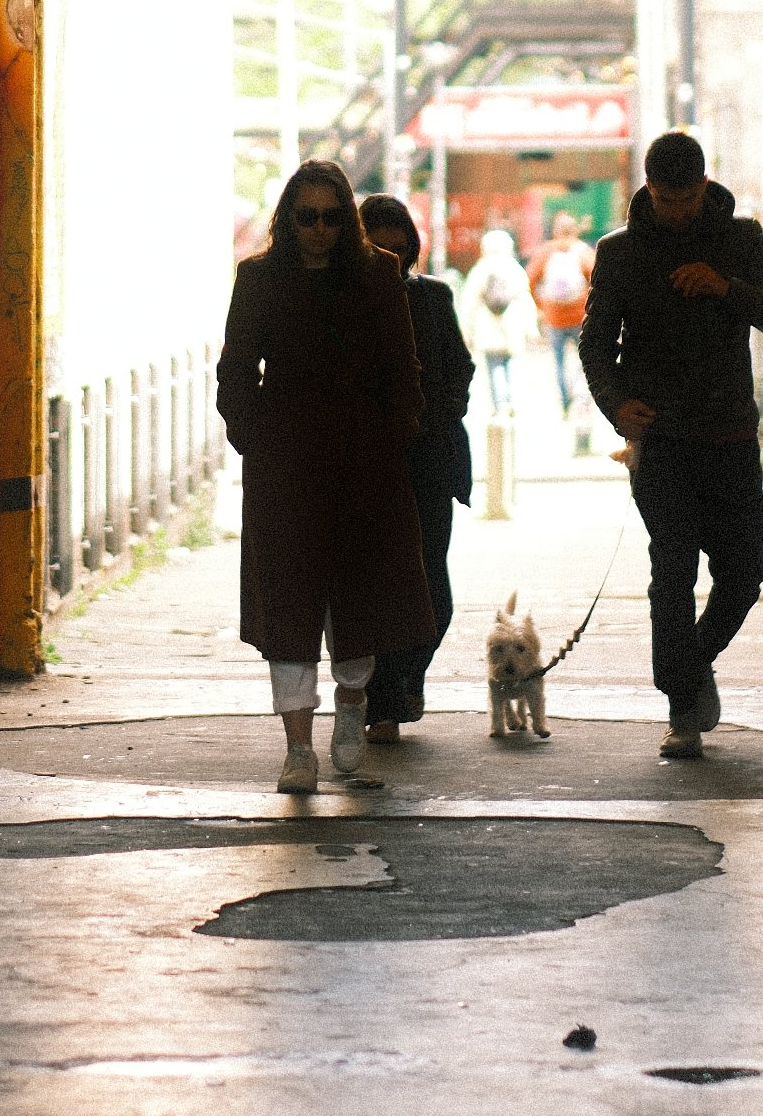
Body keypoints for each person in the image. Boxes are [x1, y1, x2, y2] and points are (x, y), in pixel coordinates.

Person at [579, 128, 763, 762]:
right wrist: (618, 406)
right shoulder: (620, 252)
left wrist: (726, 287)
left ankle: (690, 665)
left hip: (729, 434)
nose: (675, 213)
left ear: (705, 187)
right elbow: (595, 344)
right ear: (648, 189)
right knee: (672, 571)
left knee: (744, 574)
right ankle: (681, 709)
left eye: (685, 200)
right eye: (664, 201)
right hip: (661, 440)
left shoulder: (741, 240)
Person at [217, 159, 436, 796]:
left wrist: (393, 439)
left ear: (348, 221)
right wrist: (255, 441)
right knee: (287, 606)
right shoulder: (258, 278)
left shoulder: (379, 275)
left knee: (360, 602)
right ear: (288, 220)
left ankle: (351, 705)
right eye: (306, 217)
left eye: (332, 218)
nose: (318, 230)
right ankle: (297, 749)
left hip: (365, 465)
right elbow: (236, 371)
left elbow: (403, 370)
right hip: (284, 469)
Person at [357, 193, 474, 744]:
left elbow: (460, 366)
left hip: (428, 460)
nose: (390, 260)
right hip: (366, 464)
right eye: (377, 249)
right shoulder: (343, 302)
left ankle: (408, 677)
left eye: (398, 250)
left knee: (433, 590)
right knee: (377, 587)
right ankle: (382, 701)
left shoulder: (432, 296)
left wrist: (439, 414)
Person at [527, 207, 596, 450]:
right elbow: (597, 280)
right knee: (582, 362)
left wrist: (541, 306)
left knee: (557, 362)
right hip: (580, 316)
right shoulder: (584, 251)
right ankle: (581, 397)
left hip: (554, 316)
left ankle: (566, 402)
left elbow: (530, 279)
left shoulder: (545, 252)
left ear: (556, 231)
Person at [460, 223, 535, 417]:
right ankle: (511, 401)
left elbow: (469, 302)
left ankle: (500, 405)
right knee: (512, 365)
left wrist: (466, 330)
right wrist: (531, 328)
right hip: (512, 325)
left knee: (494, 367)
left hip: (488, 326)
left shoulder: (480, 269)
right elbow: (525, 299)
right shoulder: (514, 269)